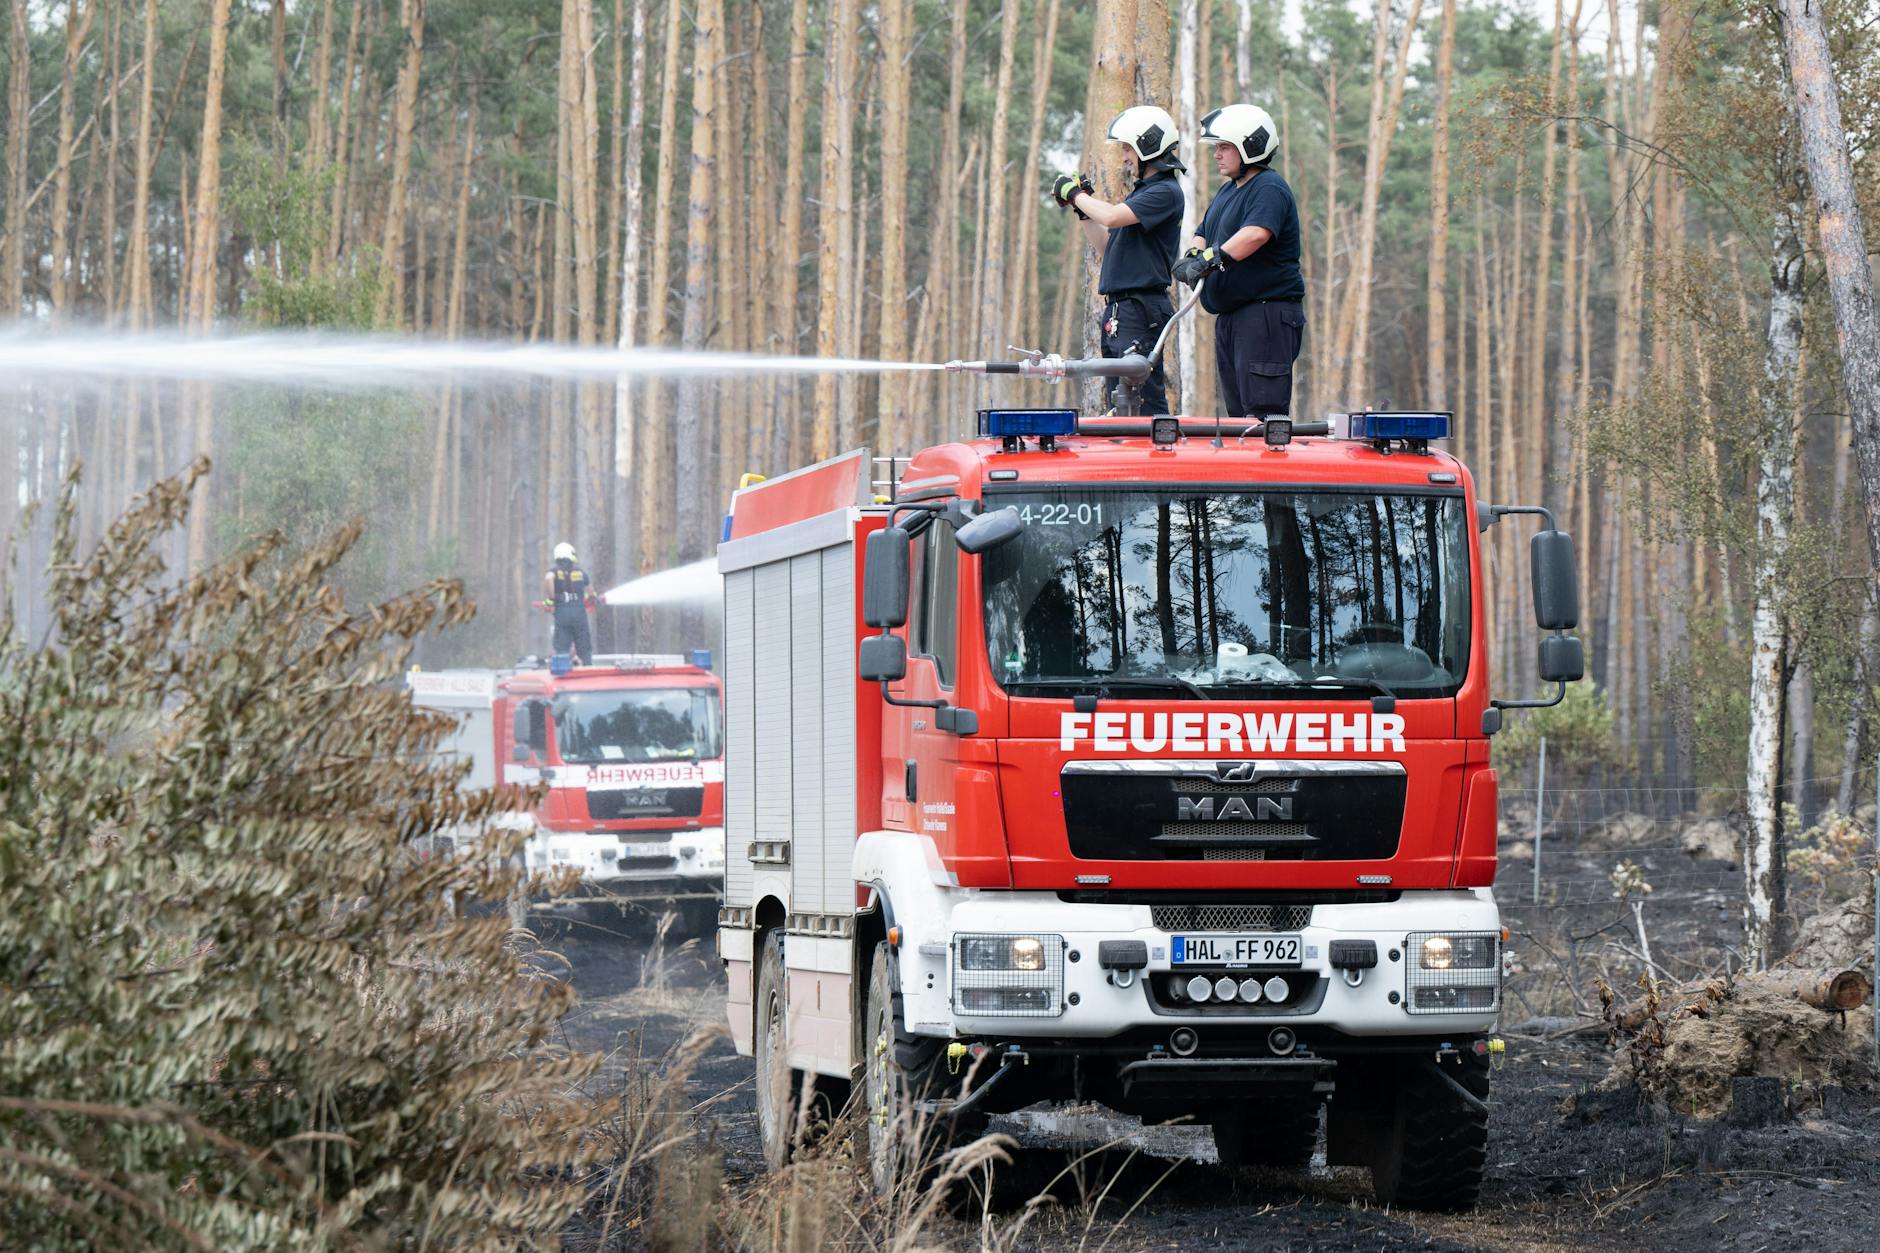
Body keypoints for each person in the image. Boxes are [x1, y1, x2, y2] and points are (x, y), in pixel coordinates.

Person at [1050, 105, 1187, 415]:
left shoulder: (1164, 192)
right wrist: (1083, 209)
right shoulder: (1142, 195)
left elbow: (1110, 217)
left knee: (1141, 399)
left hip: (1140, 309)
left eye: (1128, 147)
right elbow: (1108, 245)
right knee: (1119, 402)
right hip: (1121, 310)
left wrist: (1074, 194)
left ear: (1147, 146)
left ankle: (1156, 460)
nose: (1125, 156)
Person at [1171, 104, 1305, 419]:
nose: (1217, 155)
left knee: (1261, 415)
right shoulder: (1227, 192)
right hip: (1233, 317)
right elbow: (1203, 232)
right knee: (1237, 416)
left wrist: (1209, 258)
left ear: (1250, 147)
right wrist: (1192, 256)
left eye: (1225, 147)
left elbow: (1255, 234)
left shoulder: (1269, 187)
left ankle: (1268, 468)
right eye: (1216, 147)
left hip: (1265, 315)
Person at [541, 541, 598, 664]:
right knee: (584, 649)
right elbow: (592, 594)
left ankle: (563, 674)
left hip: (562, 617)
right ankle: (588, 670)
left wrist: (551, 599)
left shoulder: (554, 572)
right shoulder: (581, 573)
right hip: (579, 617)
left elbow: (548, 578)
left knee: (562, 649)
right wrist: (590, 599)